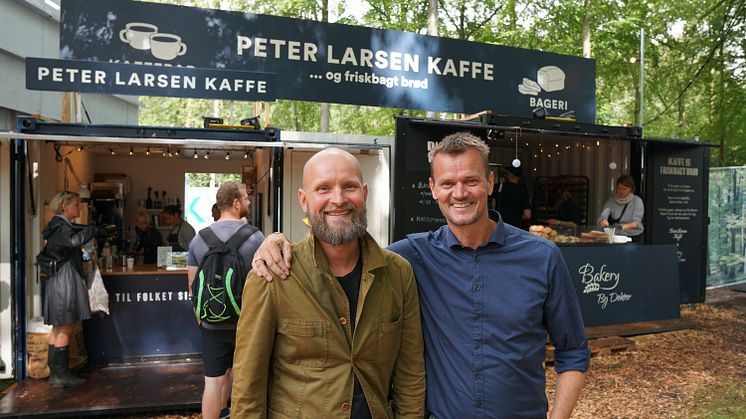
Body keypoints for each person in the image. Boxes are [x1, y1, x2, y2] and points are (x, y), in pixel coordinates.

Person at [253, 133, 589, 418]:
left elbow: (572, 351)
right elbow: (342, 246)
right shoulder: (408, 258)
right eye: (447, 183)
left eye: (471, 180)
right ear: (433, 188)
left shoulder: (542, 257)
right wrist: (274, 242)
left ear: (490, 182)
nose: (459, 193)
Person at [232, 148, 425, 418]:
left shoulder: (398, 273)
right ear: (304, 200)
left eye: (349, 186)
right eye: (323, 188)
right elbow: (247, 387)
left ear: (365, 194)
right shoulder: (272, 276)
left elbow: (410, 375)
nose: (338, 199)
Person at [187, 182, 264, 419]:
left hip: (212, 324)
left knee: (213, 381)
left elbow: (192, 288)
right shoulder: (255, 237)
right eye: (246, 199)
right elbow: (265, 286)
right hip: (246, 324)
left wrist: (203, 322)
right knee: (245, 381)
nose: (249, 203)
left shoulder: (199, 239)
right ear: (235, 202)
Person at [42, 191, 96, 388]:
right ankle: (60, 375)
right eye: (76, 204)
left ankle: (55, 372)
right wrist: (92, 230)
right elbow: (73, 242)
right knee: (66, 324)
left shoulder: (58, 226)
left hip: (60, 278)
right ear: (65, 206)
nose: (79, 208)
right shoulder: (61, 227)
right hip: (65, 279)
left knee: (59, 326)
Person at [597, 174, 644, 241]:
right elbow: (603, 215)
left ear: (631, 189)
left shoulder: (637, 201)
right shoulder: (611, 201)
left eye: (625, 189)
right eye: (619, 188)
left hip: (634, 235)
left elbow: (636, 223)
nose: (621, 191)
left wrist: (621, 227)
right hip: (617, 236)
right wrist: (603, 221)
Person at [492, 165, 531, 230]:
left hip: (500, 224)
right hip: (516, 227)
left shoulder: (499, 187)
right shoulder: (522, 190)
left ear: (510, 174)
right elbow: (527, 215)